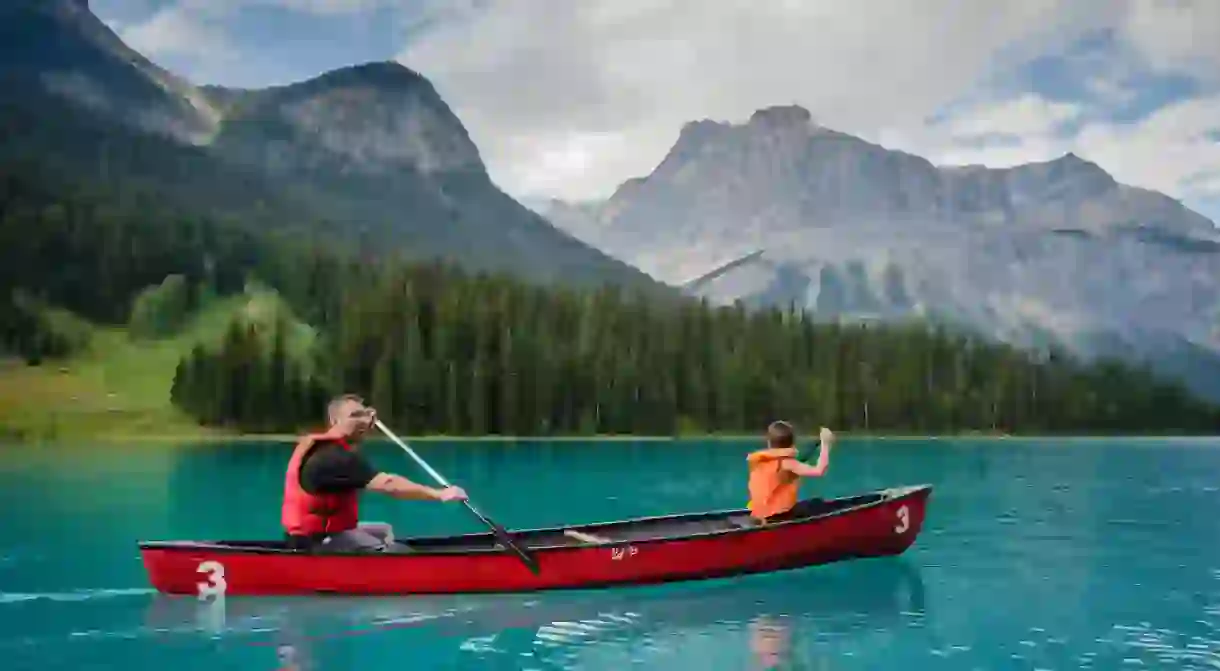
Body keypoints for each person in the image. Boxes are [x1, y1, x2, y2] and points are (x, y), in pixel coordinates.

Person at [282, 393, 468, 552]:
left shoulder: (334, 450)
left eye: (364, 415)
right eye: (354, 416)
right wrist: (439, 494)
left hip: (316, 535)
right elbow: (388, 485)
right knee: (393, 551)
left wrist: (363, 424)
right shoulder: (334, 458)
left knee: (384, 530)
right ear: (334, 421)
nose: (362, 421)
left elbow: (355, 444)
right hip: (315, 542)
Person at [746, 421, 834, 523]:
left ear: (769, 442)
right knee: (817, 503)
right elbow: (820, 470)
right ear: (792, 443)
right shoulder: (788, 463)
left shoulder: (762, 461)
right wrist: (825, 445)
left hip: (759, 514)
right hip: (777, 517)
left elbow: (790, 467)